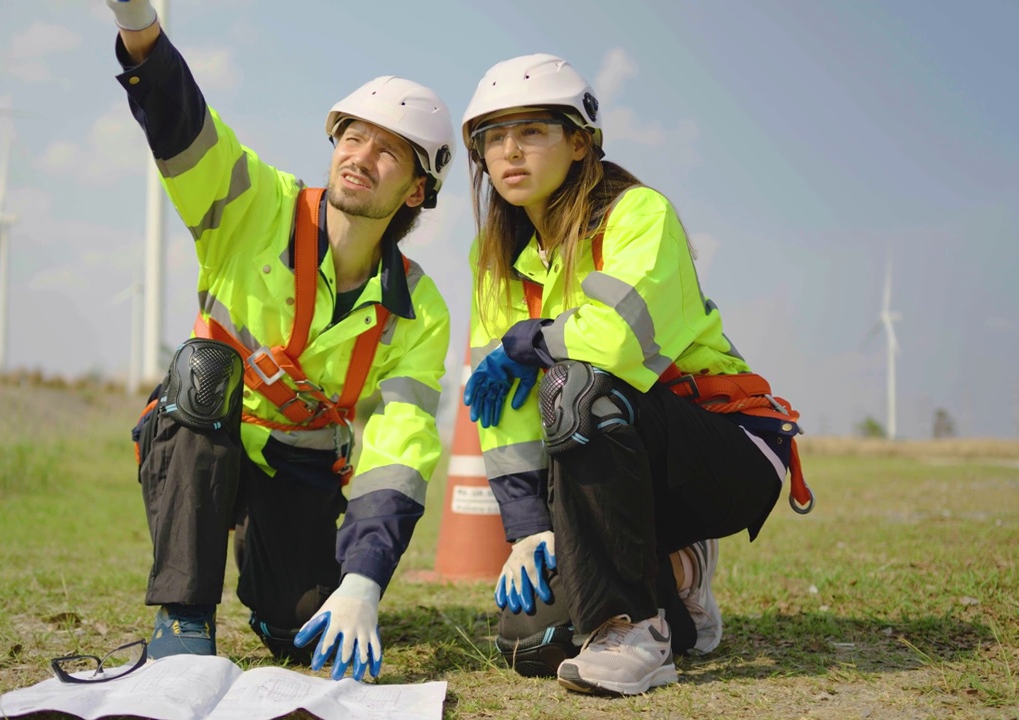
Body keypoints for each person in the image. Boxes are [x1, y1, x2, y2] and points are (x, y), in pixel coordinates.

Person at [103, 0, 454, 682]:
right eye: (353, 137)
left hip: (298, 470)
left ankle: (272, 574)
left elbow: (399, 448)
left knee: (299, 630)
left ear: (416, 191)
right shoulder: (256, 204)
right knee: (201, 367)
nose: (362, 155)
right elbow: (183, 127)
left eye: (389, 150)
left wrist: (364, 582)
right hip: (206, 436)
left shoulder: (420, 308)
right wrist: (137, 23)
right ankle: (183, 617)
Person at [459, 53, 811, 696]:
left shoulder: (637, 215)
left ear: (580, 142)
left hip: (722, 444)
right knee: (531, 637)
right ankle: (676, 577)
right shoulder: (498, 265)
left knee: (575, 386)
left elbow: (617, 342)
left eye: (533, 130)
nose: (510, 151)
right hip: (610, 454)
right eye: (492, 137)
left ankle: (637, 628)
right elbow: (501, 410)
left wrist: (527, 342)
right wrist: (527, 529)